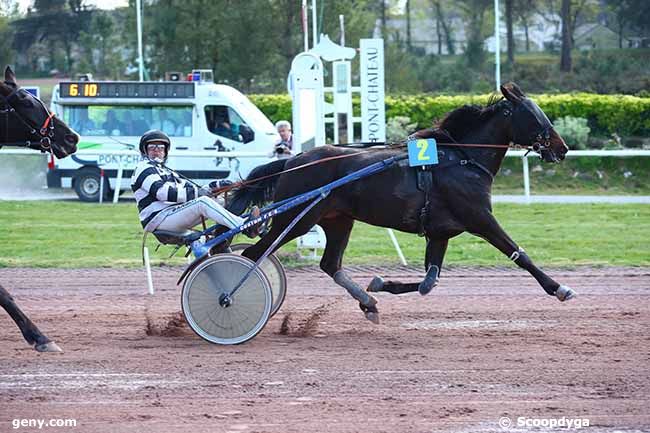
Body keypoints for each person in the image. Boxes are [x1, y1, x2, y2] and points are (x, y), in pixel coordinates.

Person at [131, 130, 260, 245]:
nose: (157, 151)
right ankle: (244, 225)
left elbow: (190, 188)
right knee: (202, 203)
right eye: (152, 147)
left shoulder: (165, 170)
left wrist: (216, 185)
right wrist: (200, 193)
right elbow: (162, 193)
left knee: (221, 201)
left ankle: (232, 236)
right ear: (145, 150)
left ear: (165, 151)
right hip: (159, 219)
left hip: (172, 214)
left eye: (160, 148)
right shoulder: (144, 168)